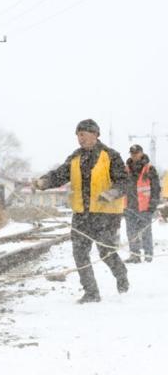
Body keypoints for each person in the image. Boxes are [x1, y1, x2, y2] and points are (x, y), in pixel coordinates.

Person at [33, 119, 129, 303]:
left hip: (105, 214)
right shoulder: (75, 157)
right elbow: (60, 175)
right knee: (80, 253)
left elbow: (124, 182)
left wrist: (112, 192)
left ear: (95, 134)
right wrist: (43, 182)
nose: (80, 139)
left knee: (105, 252)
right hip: (81, 214)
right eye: (78, 135)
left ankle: (121, 273)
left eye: (83, 134)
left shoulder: (111, 156)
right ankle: (91, 292)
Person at [124, 144, 161, 263]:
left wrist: (153, 205)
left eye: (136, 153)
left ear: (141, 153)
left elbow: (156, 188)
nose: (134, 155)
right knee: (131, 233)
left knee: (146, 232)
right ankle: (135, 256)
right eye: (132, 153)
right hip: (130, 206)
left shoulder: (149, 168)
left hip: (145, 207)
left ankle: (148, 255)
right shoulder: (126, 169)